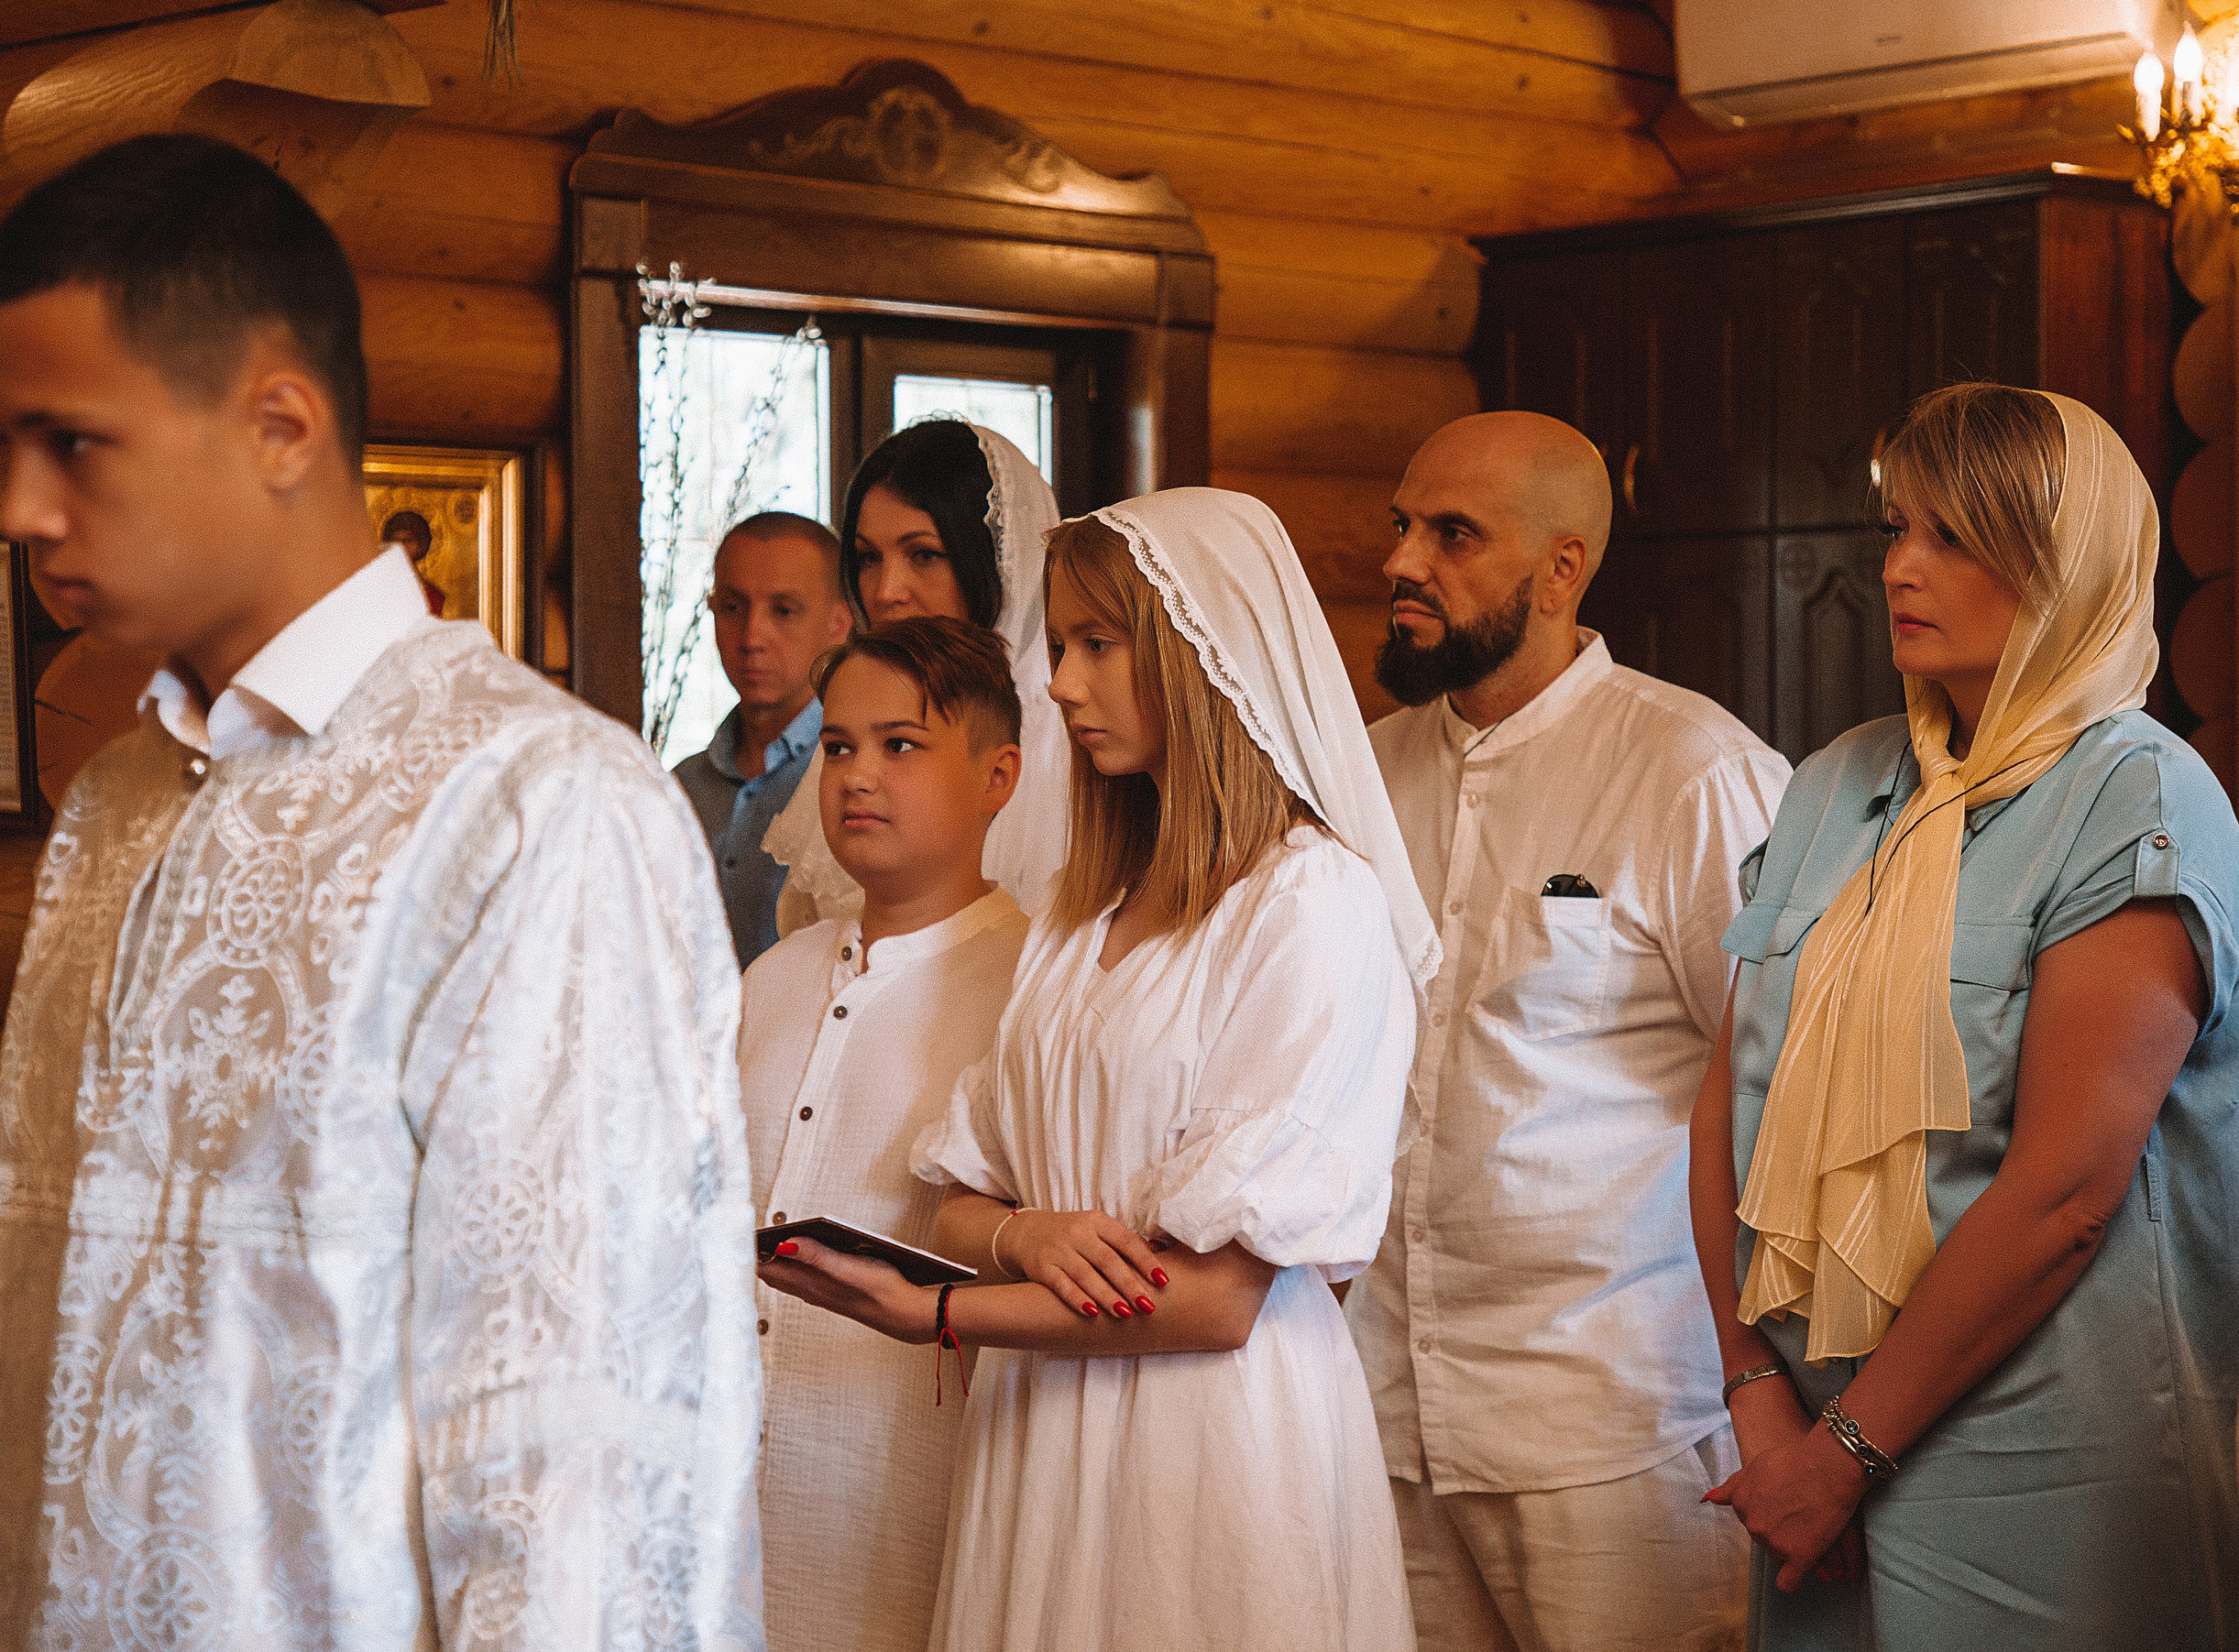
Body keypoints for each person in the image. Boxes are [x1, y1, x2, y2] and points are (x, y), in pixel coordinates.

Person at [0, 135, 763, 1650]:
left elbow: (580, 1473)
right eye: (7, 442)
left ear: (280, 425)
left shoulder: (535, 806)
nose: (24, 505)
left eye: (72, 442)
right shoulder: (117, 798)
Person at [761, 489, 1438, 1652]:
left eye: (1097, 645)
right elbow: (958, 1196)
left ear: (1200, 654)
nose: (1062, 681)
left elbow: (1218, 1299)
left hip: (1207, 1441)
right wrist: (1027, 1235)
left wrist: (937, 1311)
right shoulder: (1084, 914)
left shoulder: (1308, 900)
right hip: (1039, 1423)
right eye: (1061, 644)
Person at [1691, 384, 2239, 1648]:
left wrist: (1845, 1450)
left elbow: (2065, 1190)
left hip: (2045, 1456)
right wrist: (1756, 1392)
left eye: (1955, 537)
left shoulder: (2137, 795)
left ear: (2067, 565)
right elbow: (1724, 1102)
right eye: (1898, 528)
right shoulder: (1835, 780)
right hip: (1802, 1445)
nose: (1900, 567)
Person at [1344, 410, 1789, 1652]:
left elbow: (1786, 1094)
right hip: (1382, 1409)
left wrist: (1782, 1395)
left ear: (1560, 568)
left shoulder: (1695, 773)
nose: (1402, 562)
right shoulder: (1359, 777)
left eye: (1452, 535)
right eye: (1401, 525)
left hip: (1612, 1426)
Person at [740, 617, 1028, 1652]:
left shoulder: (1034, 988)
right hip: (731, 1498)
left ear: (998, 776)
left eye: (900, 745)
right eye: (838, 746)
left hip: (907, 1497)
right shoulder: (772, 976)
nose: (858, 776)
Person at [764, 420, 1069, 931]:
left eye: (923, 555)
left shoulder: (1072, 757)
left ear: (997, 563)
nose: (886, 591)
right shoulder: (853, 733)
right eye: (868, 558)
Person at [678, 511, 852, 967]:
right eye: (732, 608)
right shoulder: (681, 786)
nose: (752, 637)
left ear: (840, 623)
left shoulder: (854, 776)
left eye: (784, 611)